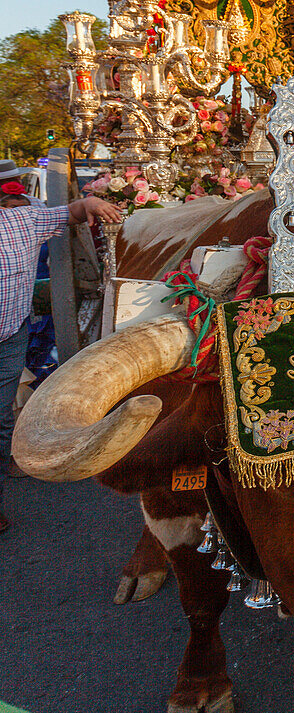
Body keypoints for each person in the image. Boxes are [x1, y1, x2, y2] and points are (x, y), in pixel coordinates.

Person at [1, 193, 122, 532]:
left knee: (0, 412)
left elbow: (74, 211)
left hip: (9, 336)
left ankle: (6, 468)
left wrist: (93, 202)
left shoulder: (22, 222)